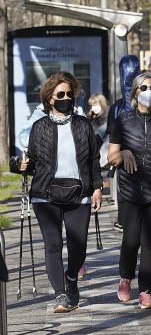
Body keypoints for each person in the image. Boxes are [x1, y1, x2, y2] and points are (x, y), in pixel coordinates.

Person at [20, 72, 102, 313]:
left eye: (69, 94)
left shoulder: (83, 125)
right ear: (50, 98)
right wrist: (20, 166)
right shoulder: (39, 127)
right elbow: (32, 162)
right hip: (45, 194)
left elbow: (94, 160)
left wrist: (97, 188)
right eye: (61, 94)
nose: (66, 98)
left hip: (79, 193)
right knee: (53, 245)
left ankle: (71, 278)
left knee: (79, 246)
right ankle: (60, 295)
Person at [108, 72, 151, 310]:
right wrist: (124, 153)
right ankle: (125, 276)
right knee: (131, 239)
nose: (148, 91)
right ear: (135, 92)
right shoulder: (123, 120)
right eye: (144, 87)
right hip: (130, 190)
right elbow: (111, 157)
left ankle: (146, 291)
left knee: (149, 241)